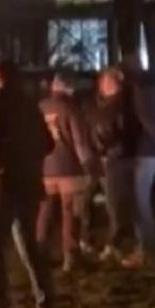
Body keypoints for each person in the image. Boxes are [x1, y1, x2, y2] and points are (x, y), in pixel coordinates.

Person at [0, 59, 56, 308]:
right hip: (29, 184)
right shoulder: (29, 105)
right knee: (28, 247)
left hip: (5, 183)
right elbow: (48, 143)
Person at [90, 66, 155, 267]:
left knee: (140, 203)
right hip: (140, 154)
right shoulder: (134, 95)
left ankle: (149, 252)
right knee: (136, 203)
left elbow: (144, 123)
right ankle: (143, 249)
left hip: (144, 154)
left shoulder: (133, 97)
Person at [37, 72, 98, 273]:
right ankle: (71, 257)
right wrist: (89, 165)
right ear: (69, 88)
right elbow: (80, 141)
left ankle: (39, 253)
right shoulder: (72, 108)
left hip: (46, 168)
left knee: (45, 213)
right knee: (71, 213)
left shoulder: (40, 107)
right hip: (70, 169)